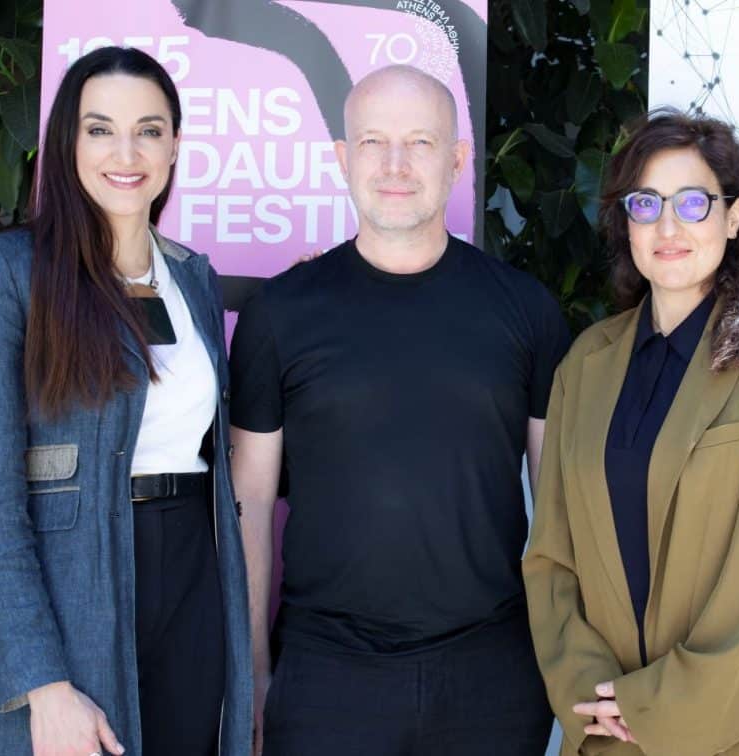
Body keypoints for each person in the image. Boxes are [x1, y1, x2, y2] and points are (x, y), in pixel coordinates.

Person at [229, 64, 571, 756]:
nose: (394, 165)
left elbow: (562, 505)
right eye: (372, 142)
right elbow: (250, 503)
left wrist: (570, 662)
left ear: (457, 160)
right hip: (326, 677)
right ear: (341, 157)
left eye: (419, 142)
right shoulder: (279, 313)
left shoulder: (526, 310)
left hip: (492, 676)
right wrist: (255, 672)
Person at [0, 46, 251, 756]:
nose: (126, 153)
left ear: (174, 145)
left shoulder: (193, 278)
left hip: (195, 578)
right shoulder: (6, 272)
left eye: (149, 130)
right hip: (75, 581)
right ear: (67, 142)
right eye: (101, 129)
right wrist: (42, 683)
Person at [523, 108, 739, 756]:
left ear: (733, 217)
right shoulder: (584, 366)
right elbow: (552, 558)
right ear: (626, 223)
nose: (668, 227)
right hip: (609, 728)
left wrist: (657, 707)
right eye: (646, 204)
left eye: (693, 203)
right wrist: (591, 694)